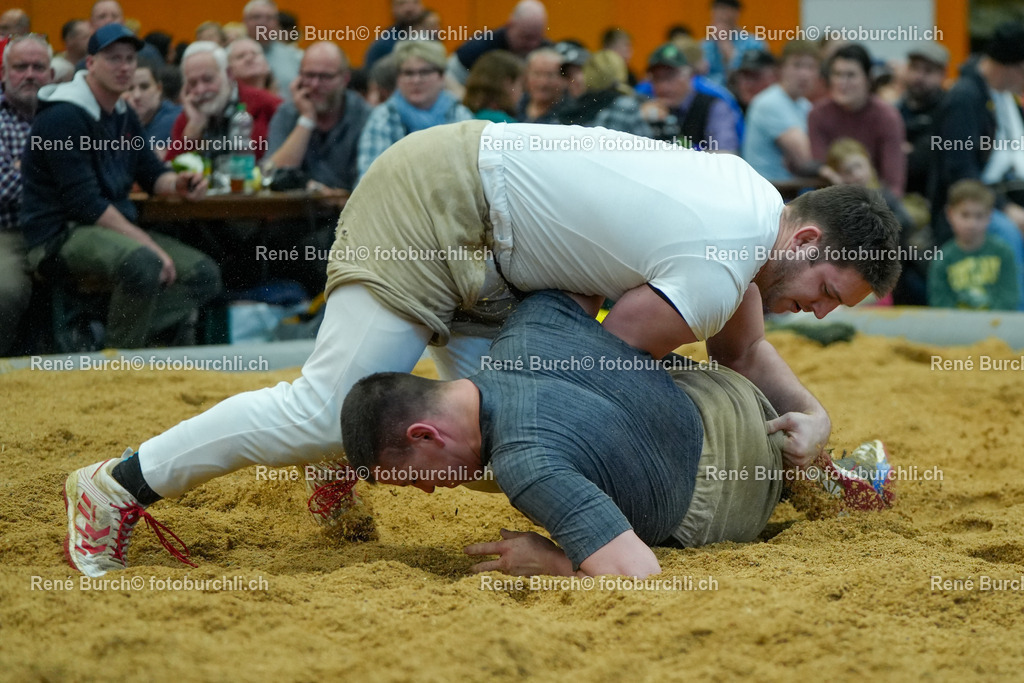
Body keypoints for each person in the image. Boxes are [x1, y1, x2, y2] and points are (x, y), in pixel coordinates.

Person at [62, 119, 901, 578]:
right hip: (439, 209)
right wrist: (573, 555)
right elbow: (597, 374)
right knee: (331, 409)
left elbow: (743, 348)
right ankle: (114, 484)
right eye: (826, 292)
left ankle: (351, 450)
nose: (817, 313)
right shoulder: (725, 263)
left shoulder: (754, 210)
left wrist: (810, 413)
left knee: (504, 427)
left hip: (495, 243)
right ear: (812, 237)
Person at [342, 290, 785, 578]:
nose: (426, 491)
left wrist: (552, 563)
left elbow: (640, 574)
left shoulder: (524, 464)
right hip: (737, 400)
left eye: (410, 477)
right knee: (620, 357)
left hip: (730, 503)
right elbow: (595, 274)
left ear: (425, 435)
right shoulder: (530, 321)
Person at [20, 24, 221, 350]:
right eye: (114, 58)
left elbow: (153, 174)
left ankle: (104, 335)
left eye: (130, 58)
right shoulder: (62, 116)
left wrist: (179, 184)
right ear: (91, 63)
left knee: (203, 274)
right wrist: (149, 245)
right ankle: (117, 362)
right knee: (144, 262)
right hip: (59, 235)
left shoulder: (123, 113)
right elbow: (85, 203)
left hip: (109, 228)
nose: (124, 66)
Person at [928, 22, 1024, 308]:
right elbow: (961, 172)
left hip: (1002, 192)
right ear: (1015, 68)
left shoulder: (1001, 96)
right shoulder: (965, 98)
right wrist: (1005, 208)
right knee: (1007, 231)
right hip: (972, 204)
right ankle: (1014, 320)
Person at [824, 138, 924, 304]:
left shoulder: (883, 194)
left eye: (859, 166)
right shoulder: (838, 203)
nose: (856, 174)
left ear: (868, 164)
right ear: (838, 176)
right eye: (848, 171)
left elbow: (905, 223)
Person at [0, 34, 51, 356]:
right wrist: (51, 175)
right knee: (6, 290)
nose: (30, 74)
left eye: (38, 67)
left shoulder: (66, 115)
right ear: (4, 73)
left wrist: (24, 166)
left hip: (61, 226)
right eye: (20, 67)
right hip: (8, 231)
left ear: (52, 75)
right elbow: (3, 188)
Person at [357, 40, 472, 180]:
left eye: (424, 72)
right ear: (398, 79)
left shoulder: (460, 116)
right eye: (408, 73)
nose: (416, 80)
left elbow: (471, 176)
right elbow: (369, 180)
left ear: (442, 77)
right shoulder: (383, 117)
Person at [267, 42, 370, 193]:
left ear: (345, 78)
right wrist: (306, 119)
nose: (315, 84)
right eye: (309, 75)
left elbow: (368, 188)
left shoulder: (365, 116)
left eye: (325, 77)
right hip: (294, 213)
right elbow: (271, 175)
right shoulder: (287, 113)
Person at [808, 44, 906, 197]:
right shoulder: (818, 114)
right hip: (831, 200)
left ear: (868, 79)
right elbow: (819, 167)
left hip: (877, 201)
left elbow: (894, 183)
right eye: (837, 74)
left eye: (850, 75)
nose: (842, 82)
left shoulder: (887, 117)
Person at [169, 41, 281, 164]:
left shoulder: (266, 104)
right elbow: (169, 173)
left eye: (208, 80)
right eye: (193, 83)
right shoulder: (189, 117)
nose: (200, 90)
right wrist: (192, 132)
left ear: (229, 74)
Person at [928, 180, 1019, 311]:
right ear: (950, 214)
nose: (972, 224)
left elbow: (1009, 297)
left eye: (979, 216)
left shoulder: (1004, 252)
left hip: (997, 326)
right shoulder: (942, 259)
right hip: (956, 329)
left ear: (989, 216)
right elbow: (940, 303)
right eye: (965, 215)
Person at [742, 40, 824, 181]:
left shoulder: (805, 105)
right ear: (781, 69)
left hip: (792, 192)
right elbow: (808, 158)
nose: (804, 74)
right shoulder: (769, 103)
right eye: (797, 65)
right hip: (771, 193)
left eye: (811, 67)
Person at [642, 42, 739, 153]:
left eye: (670, 76)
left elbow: (725, 156)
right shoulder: (645, 107)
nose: (663, 86)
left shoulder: (714, 107)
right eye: (657, 78)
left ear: (690, 75)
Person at [446, 0, 548, 87]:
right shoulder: (478, 48)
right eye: (526, 37)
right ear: (510, 25)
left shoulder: (546, 49)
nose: (532, 44)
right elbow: (447, 77)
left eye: (537, 38)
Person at [555, 49, 651, 137]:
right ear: (620, 71)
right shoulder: (626, 105)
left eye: (579, 71)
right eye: (568, 76)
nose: (575, 79)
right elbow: (647, 147)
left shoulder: (574, 108)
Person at [898, 42, 948, 198]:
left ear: (942, 74)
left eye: (928, 71)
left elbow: (920, 162)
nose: (919, 77)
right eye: (914, 68)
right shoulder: (896, 109)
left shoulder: (948, 111)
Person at [243, 0, 302, 99]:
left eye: (269, 18)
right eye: (256, 17)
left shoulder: (295, 57)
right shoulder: (230, 55)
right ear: (244, 21)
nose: (262, 22)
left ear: (277, 23)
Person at [702, 0, 767, 86]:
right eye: (716, 8)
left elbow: (749, 76)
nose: (719, 14)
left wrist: (725, 43)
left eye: (724, 8)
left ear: (736, 13)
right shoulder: (705, 46)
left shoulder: (753, 43)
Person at [124, 58, 181, 157]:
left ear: (159, 89)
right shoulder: (125, 121)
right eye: (130, 88)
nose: (137, 95)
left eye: (144, 87)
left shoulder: (173, 119)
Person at [462, 49, 524, 123]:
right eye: (520, 84)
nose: (522, 92)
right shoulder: (505, 124)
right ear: (507, 83)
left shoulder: (461, 114)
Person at [363, 0, 424, 70]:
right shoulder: (382, 45)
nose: (409, 8)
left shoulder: (431, 39)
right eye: (402, 3)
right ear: (392, 9)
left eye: (415, 2)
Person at [517, 46, 568, 123]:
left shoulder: (570, 114)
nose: (543, 82)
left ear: (563, 78)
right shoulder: (513, 106)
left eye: (550, 75)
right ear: (526, 75)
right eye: (537, 74)